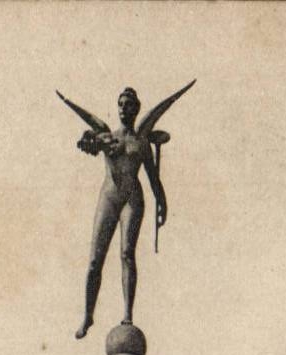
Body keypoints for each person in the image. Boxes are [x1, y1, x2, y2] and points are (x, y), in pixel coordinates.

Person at [56, 82, 195, 339]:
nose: (123, 109)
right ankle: (88, 315)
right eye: (120, 104)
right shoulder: (108, 135)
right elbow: (91, 126)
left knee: (127, 254)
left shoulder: (141, 142)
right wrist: (70, 106)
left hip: (132, 198)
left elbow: (153, 178)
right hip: (109, 197)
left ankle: (127, 314)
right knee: (95, 260)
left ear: (136, 109)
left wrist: (162, 202)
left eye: (129, 105)